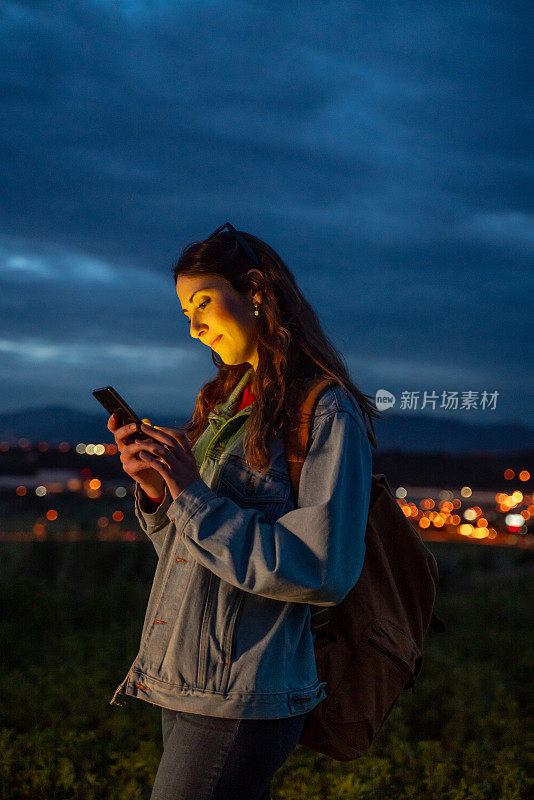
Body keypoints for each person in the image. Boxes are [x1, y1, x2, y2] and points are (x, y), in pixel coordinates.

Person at [107, 223, 380, 800]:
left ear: (256, 289)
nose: (194, 326)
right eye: (187, 313)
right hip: (185, 680)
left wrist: (194, 495)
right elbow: (193, 554)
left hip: (244, 692)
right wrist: (162, 493)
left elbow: (322, 571)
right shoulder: (228, 403)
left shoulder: (323, 410)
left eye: (202, 303)